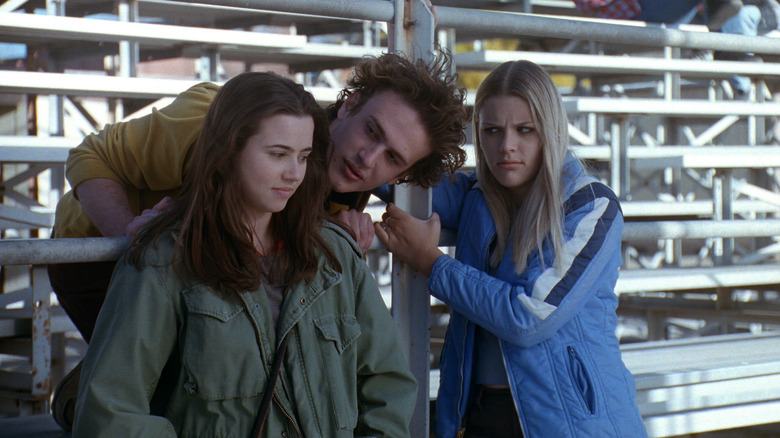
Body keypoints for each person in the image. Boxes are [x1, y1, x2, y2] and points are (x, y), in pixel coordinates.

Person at [49, 51, 467, 430]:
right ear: (350, 103)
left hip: (206, 261)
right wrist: (131, 234)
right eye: (371, 131)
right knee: (153, 381)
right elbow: (92, 155)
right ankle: (80, 396)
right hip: (94, 257)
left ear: (401, 174)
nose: (368, 158)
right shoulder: (217, 116)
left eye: (393, 157)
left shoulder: (347, 179)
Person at [375, 60, 646, 437]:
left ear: (550, 132)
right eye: (492, 131)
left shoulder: (591, 207)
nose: (507, 147)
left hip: (570, 424)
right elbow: (389, 170)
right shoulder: (476, 197)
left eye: (525, 130)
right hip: (480, 416)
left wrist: (432, 263)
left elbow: (529, 317)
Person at [574, 0, 742, 30]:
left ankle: (733, 57)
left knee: (746, 13)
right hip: (632, 20)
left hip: (651, 11)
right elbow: (592, 4)